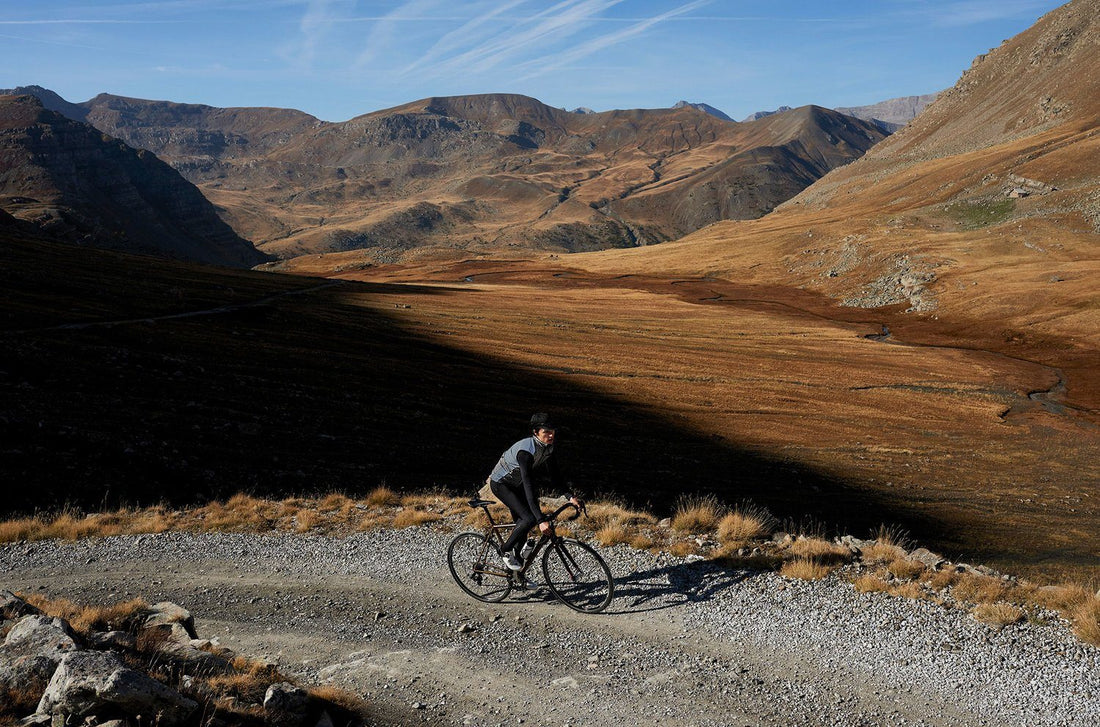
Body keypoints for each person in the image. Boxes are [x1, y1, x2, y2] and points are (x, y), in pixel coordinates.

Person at [488, 412, 568, 572]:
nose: (551, 435)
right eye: (546, 432)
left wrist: (570, 496)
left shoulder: (548, 448)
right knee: (529, 519)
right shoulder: (526, 452)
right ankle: (504, 550)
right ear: (535, 433)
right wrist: (540, 520)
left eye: (553, 431)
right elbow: (528, 485)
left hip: (516, 485)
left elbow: (555, 476)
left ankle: (517, 574)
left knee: (524, 525)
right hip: (501, 484)